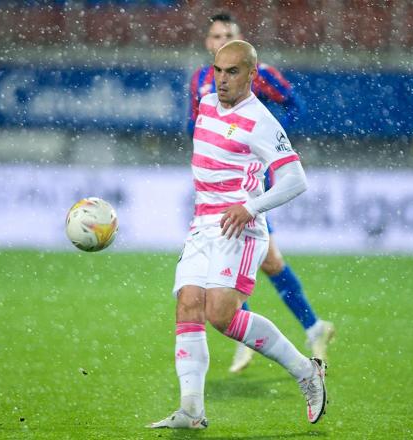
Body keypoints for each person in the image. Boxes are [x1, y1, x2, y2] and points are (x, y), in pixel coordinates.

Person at [148, 40, 327, 430]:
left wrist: (250, 207)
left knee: (221, 316)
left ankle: (306, 372)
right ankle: (191, 410)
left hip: (240, 228)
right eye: (218, 70)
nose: (223, 79)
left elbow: (296, 180)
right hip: (202, 225)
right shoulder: (207, 103)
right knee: (188, 304)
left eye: (233, 72)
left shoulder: (261, 120)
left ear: (252, 74)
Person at [189, 12, 334, 373]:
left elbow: (294, 107)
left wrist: (265, 139)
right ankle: (310, 327)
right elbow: (193, 121)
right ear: (208, 43)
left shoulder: (262, 75)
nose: (220, 40)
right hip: (216, 182)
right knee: (267, 262)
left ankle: (243, 330)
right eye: (215, 36)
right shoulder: (201, 81)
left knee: (245, 256)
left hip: (249, 182)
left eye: (228, 35)